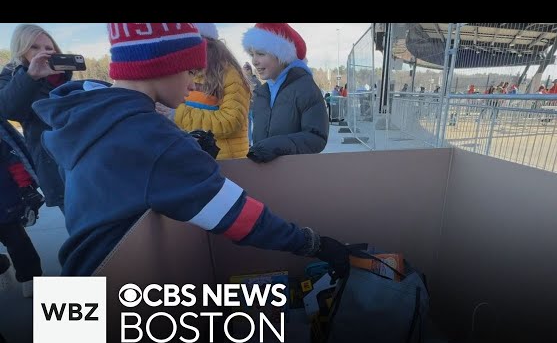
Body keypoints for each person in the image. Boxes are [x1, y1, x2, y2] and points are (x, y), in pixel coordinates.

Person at [32, 23, 349, 279]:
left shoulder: (91, 111)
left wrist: (188, 150)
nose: (195, 84)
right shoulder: (152, 139)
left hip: (73, 283)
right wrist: (312, 243)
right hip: (112, 289)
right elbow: (238, 215)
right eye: (190, 71)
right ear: (161, 66)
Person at [0, 24, 71, 213]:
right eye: (34, 47)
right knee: (83, 230)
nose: (44, 53)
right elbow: (7, 109)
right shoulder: (12, 76)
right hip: (53, 166)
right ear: (21, 50)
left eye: (49, 48)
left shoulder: (65, 77)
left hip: (82, 160)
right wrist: (31, 76)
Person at [242, 23, 329, 163]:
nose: (254, 61)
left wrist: (276, 146)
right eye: (252, 54)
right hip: (264, 176)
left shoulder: (305, 88)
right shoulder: (262, 93)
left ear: (281, 55)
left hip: (295, 176)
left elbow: (317, 137)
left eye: (260, 54)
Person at [166, 23, 251, 160]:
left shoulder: (230, 75)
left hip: (227, 162)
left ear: (207, 45)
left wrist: (176, 114)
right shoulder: (187, 74)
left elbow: (230, 122)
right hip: (198, 158)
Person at [0, 126, 45, 298]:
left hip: (4, 202)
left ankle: (30, 277)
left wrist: (26, 187)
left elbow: (15, 163)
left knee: (17, 242)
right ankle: (3, 265)